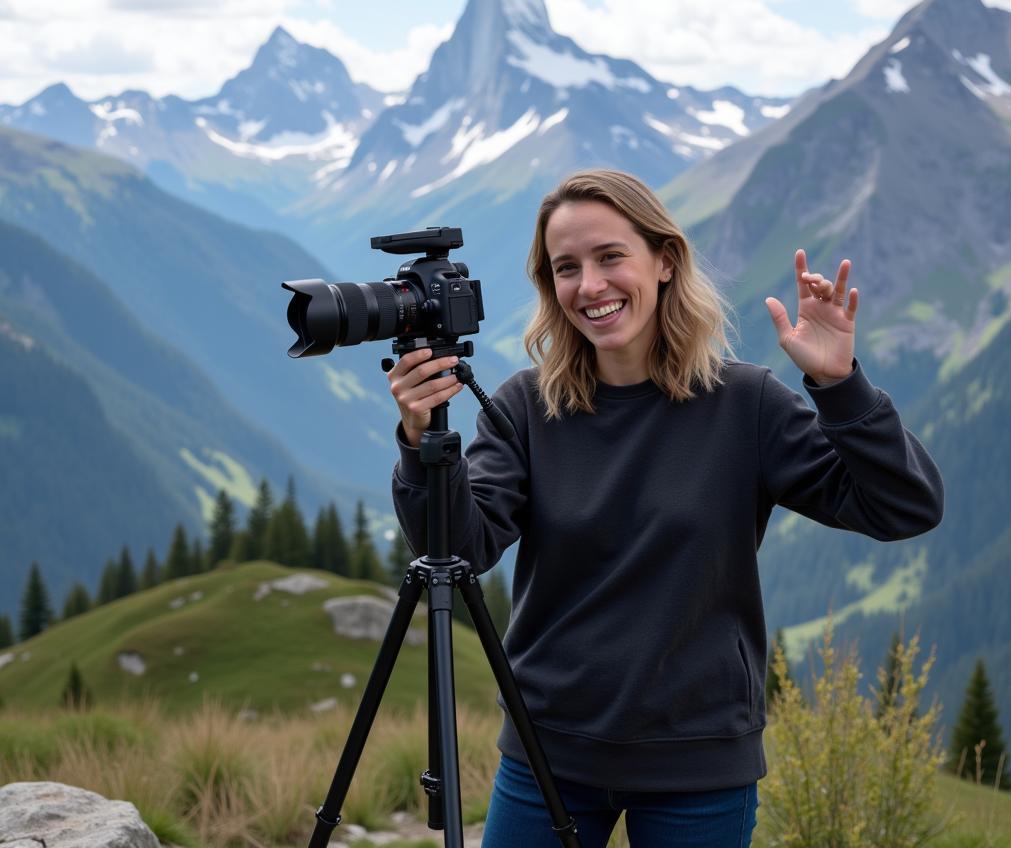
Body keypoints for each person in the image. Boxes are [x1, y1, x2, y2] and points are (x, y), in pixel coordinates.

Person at [387, 169, 943, 847]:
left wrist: (840, 387)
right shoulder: (524, 409)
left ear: (666, 261)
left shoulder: (748, 405)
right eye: (567, 267)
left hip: (700, 765)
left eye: (610, 256)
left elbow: (904, 507)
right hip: (546, 758)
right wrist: (421, 445)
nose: (589, 286)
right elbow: (463, 549)